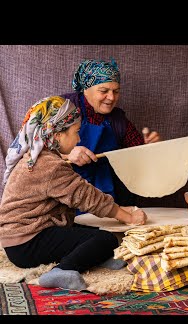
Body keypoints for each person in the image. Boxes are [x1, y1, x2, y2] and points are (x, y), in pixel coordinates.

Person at [0, 96, 148, 291]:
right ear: (58, 134)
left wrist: (119, 211)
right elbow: (88, 197)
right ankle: (60, 271)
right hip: (26, 243)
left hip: (23, 238)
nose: (79, 139)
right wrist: (127, 217)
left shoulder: (38, 156)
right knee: (106, 238)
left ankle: (94, 258)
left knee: (89, 230)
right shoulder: (50, 166)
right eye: (76, 132)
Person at [61, 58, 161, 205]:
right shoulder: (61, 108)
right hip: (67, 194)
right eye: (104, 91)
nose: (111, 97)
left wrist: (149, 148)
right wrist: (65, 154)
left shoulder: (118, 119)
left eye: (116, 91)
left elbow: (139, 155)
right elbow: (28, 152)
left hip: (106, 196)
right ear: (85, 89)